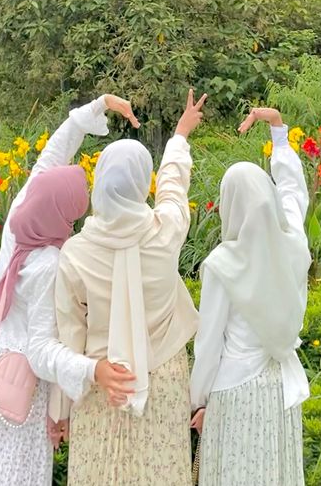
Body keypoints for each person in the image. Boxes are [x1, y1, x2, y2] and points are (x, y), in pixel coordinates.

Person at [0, 94, 137, 486]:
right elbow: (42, 351)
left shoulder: (20, 216)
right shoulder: (49, 263)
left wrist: (96, 108)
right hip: (19, 380)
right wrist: (92, 371)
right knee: (12, 472)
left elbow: (48, 162)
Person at [53, 89, 206, 486]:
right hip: (162, 377)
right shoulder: (166, 230)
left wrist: (61, 410)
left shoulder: (75, 253)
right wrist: (180, 136)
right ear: (142, 183)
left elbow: (68, 336)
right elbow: (173, 185)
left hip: (101, 382)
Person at [190, 106, 311, 486]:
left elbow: (208, 343)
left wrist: (198, 401)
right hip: (278, 389)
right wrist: (278, 130)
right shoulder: (292, 244)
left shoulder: (222, 264)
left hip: (233, 393)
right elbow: (293, 193)